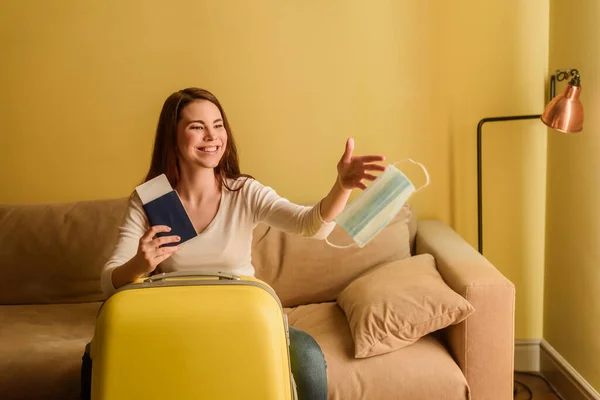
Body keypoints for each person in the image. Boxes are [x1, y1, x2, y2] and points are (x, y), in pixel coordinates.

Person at [80, 87, 386, 400]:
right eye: (197, 127)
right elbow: (110, 282)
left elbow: (310, 225)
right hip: (174, 322)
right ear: (172, 137)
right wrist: (139, 265)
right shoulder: (152, 200)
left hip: (241, 319)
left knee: (307, 359)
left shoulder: (243, 192)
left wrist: (342, 186)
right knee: (95, 357)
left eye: (218, 125)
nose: (212, 136)